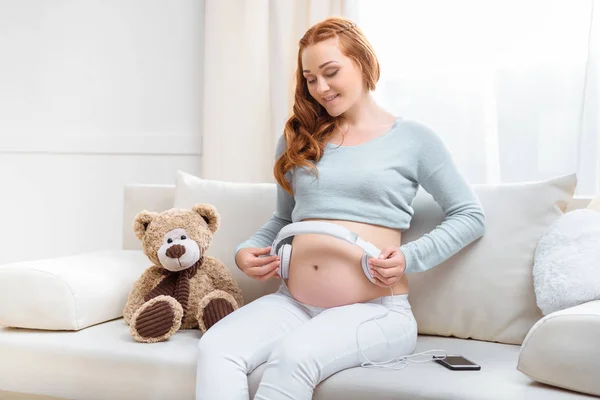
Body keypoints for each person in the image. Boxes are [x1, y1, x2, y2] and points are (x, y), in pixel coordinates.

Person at [196, 16, 485, 400]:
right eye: (310, 78)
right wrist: (246, 249)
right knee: (216, 348)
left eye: (331, 72)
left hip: (377, 310)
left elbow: (470, 215)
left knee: (293, 357)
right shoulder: (298, 140)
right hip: (293, 302)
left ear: (364, 63)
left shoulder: (414, 139)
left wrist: (408, 257)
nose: (321, 88)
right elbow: (283, 218)